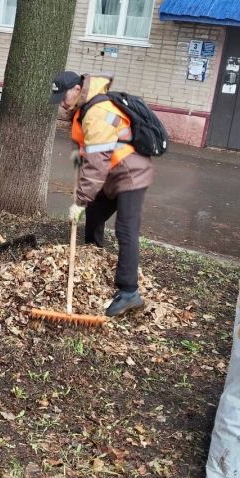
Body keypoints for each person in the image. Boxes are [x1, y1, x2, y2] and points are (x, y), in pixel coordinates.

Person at [51, 71, 153, 317]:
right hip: (110, 175)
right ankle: (91, 256)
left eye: (63, 97)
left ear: (76, 89)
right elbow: (89, 147)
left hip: (130, 175)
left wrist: (80, 200)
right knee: (94, 216)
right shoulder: (85, 108)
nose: (62, 104)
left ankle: (130, 292)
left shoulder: (97, 111)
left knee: (126, 230)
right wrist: (79, 154)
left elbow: (98, 163)